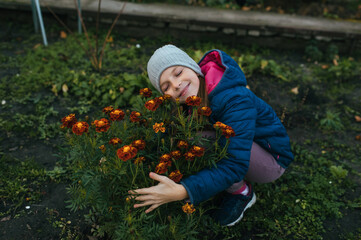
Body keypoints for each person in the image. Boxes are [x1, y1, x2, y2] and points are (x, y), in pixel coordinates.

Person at [129, 44, 294, 226]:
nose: (176, 85)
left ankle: (242, 192)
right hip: (243, 147)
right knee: (187, 136)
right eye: (166, 86)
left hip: (271, 161)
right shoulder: (190, 100)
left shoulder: (234, 99)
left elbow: (234, 165)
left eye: (178, 73)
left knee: (200, 140)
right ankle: (217, 180)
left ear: (193, 68)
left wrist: (184, 190)